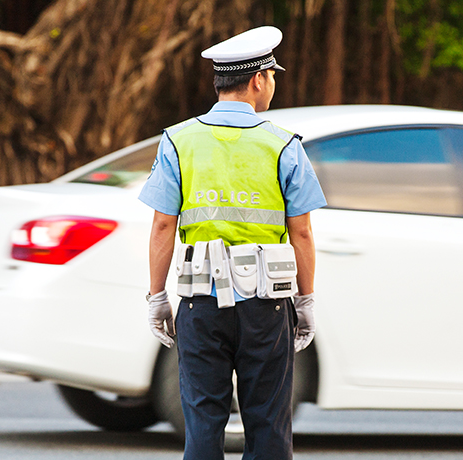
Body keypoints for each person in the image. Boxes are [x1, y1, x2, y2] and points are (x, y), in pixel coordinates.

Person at [138, 25, 326, 460]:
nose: (272, 84)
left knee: (203, 425)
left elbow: (163, 226)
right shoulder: (283, 145)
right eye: (272, 75)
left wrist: (157, 296)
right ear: (258, 80)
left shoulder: (178, 140)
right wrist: (306, 300)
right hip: (266, 306)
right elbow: (301, 231)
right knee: (268, 425)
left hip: (200, 303)